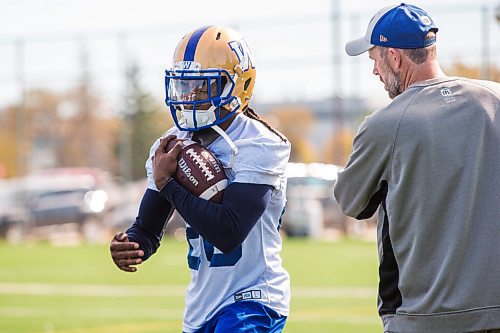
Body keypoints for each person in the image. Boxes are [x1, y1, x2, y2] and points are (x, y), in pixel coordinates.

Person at [109, 25, 291, 333]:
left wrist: (169, 185)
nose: (190, 96)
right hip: (201, 307)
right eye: (184, 86)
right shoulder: (170, 143)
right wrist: (132, 244)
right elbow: (148, 230)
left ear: (236, 85)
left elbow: (228, 230)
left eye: (202, 86)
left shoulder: (260, 144)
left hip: (253, 301)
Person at [334, 3, 500, 333]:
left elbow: (351, 202)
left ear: (394, 57)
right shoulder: (494, 99)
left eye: (375, 59)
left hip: (422, 317)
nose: (375, 71)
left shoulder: (384, 124)